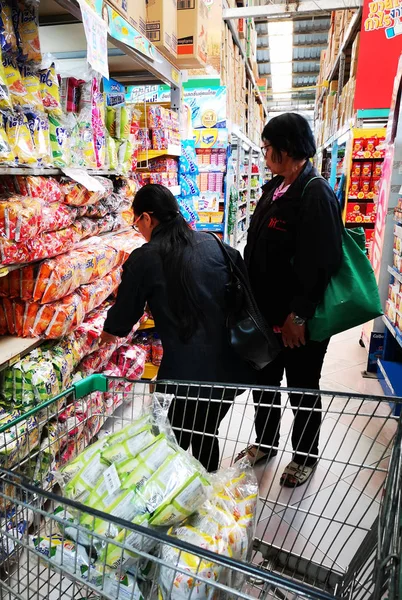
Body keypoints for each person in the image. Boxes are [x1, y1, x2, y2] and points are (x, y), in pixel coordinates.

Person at [100, 184, 253, 472]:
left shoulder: (146, 258)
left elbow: (121, 322)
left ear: (147, 218)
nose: (139, 230)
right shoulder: (215, 244)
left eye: (136, 223)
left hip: (185, 373)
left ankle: (181, 499)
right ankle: (206, 490)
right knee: (206, 431)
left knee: (173, 441)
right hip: (231, 367)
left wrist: (103, 337)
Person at [237, 113, 343, 487]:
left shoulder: (315, 192)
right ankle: (266, 442)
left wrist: (299, 315)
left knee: (301, 388)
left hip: (297, 320)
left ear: (285, 149)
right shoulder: (276, 186)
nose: (264, 154)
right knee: (264, 383)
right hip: (266, 315)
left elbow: (322, 261)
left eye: (267, 148)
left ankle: (305, 455)